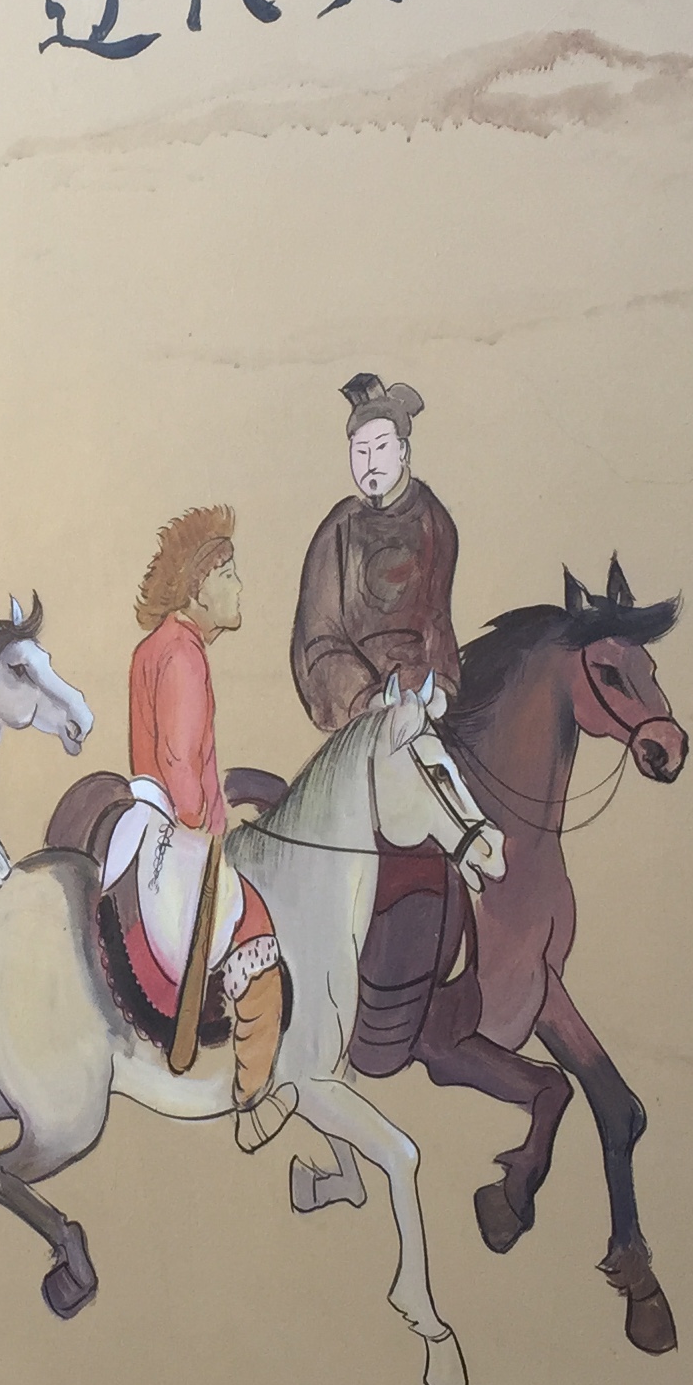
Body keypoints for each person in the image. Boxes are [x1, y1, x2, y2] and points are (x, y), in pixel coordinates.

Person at [289, 370, 463, 1089]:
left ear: (404, 450)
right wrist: (364, 699)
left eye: (380, 448)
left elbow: (438, 620)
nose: (368, 463)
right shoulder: (337, 531)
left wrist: (434, 687)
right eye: (358, 451)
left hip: (421, 704)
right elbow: (317, 634)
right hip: (359, 713)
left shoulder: (434, 523)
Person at [125, 506, 294, 1148]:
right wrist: (205, 824)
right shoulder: (184, 656)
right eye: (229, 574)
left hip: (146, 828)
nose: (240, 586)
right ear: (198, 588)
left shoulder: (155, 648)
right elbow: (180, 764)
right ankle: (252, 1103)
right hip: (180, 836)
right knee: (258, 936)